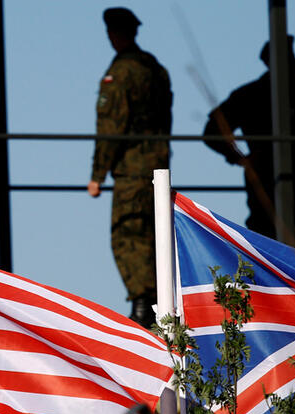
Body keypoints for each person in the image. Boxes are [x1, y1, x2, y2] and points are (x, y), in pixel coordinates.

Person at [203, 37, 295, 255]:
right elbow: (212, 131)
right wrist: (240, 158)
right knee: (274, 255)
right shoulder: (251, 95)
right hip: (268, 184)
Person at [87, 7, 172, 328]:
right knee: (154, 233)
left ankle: (144, 305)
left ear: (114, 34)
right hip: (157, 165)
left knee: (126, 234)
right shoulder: (155, 69)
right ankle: (156, 301)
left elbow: (111, 127)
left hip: (132, 169)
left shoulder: (121, 73)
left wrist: (97, 175)